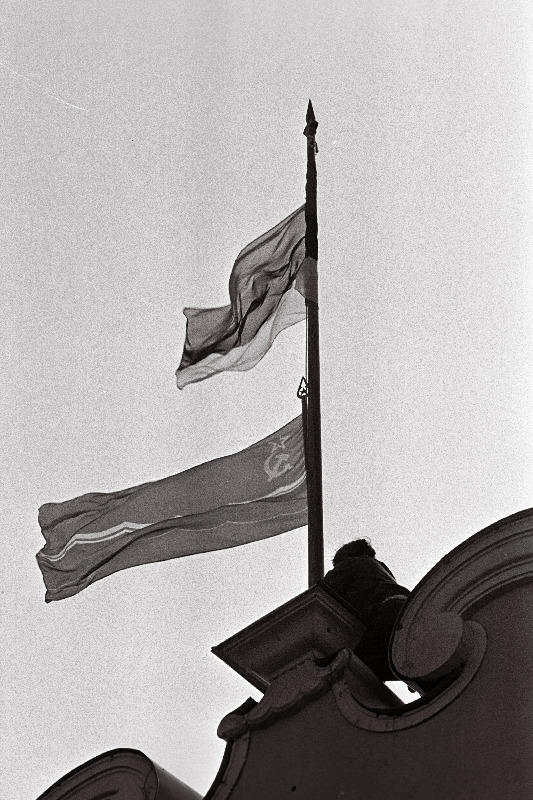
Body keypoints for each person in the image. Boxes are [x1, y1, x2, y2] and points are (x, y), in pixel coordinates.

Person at [321, 539, 409, 681]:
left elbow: (324, 590)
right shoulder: (380, 568)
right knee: (400, 662)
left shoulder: (352, 563)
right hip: (408, 609)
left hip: (387, 612)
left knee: (351, 666)